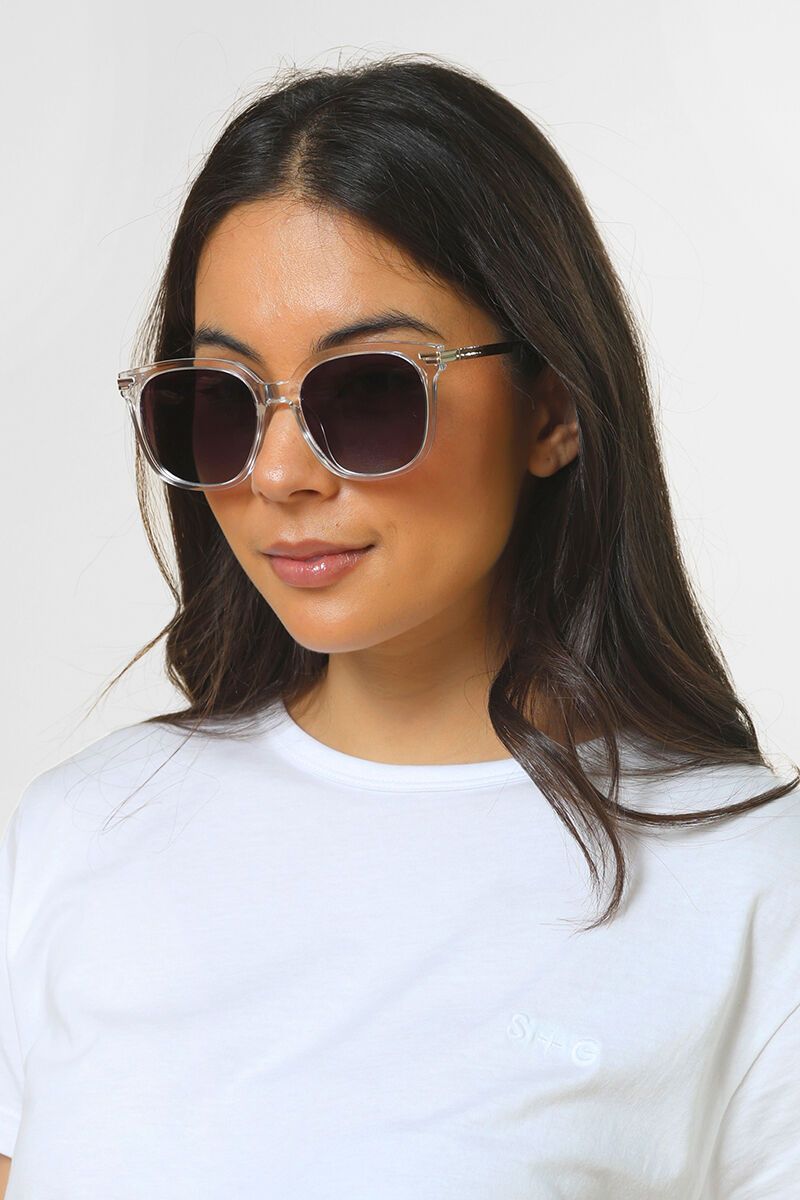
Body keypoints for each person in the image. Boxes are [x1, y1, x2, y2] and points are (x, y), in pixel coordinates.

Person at [1, 52, 798, 1200]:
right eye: (219, 403)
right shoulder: (82, 832)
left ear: (551, 408)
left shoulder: (746, 884)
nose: (279, 474)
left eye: (367, 391)